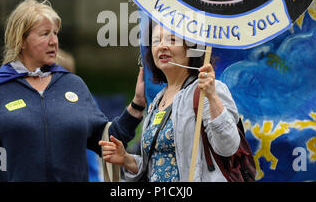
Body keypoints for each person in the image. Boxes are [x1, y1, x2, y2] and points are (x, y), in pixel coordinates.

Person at [0, 0, 145, 181]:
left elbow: (108, 141)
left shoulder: (73, 84)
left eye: (56, 33)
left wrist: (136, 106)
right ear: (21, 40)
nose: (54, 42)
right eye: (44, 34)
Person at [99, 21, 240, 182]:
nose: (162, 46)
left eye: (172, 40)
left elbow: (228, 146)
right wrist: (126, 159)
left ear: (191, 49)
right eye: (156, 41)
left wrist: (212, 96)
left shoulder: (207, 90)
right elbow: (158, 164)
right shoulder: (158, 100)